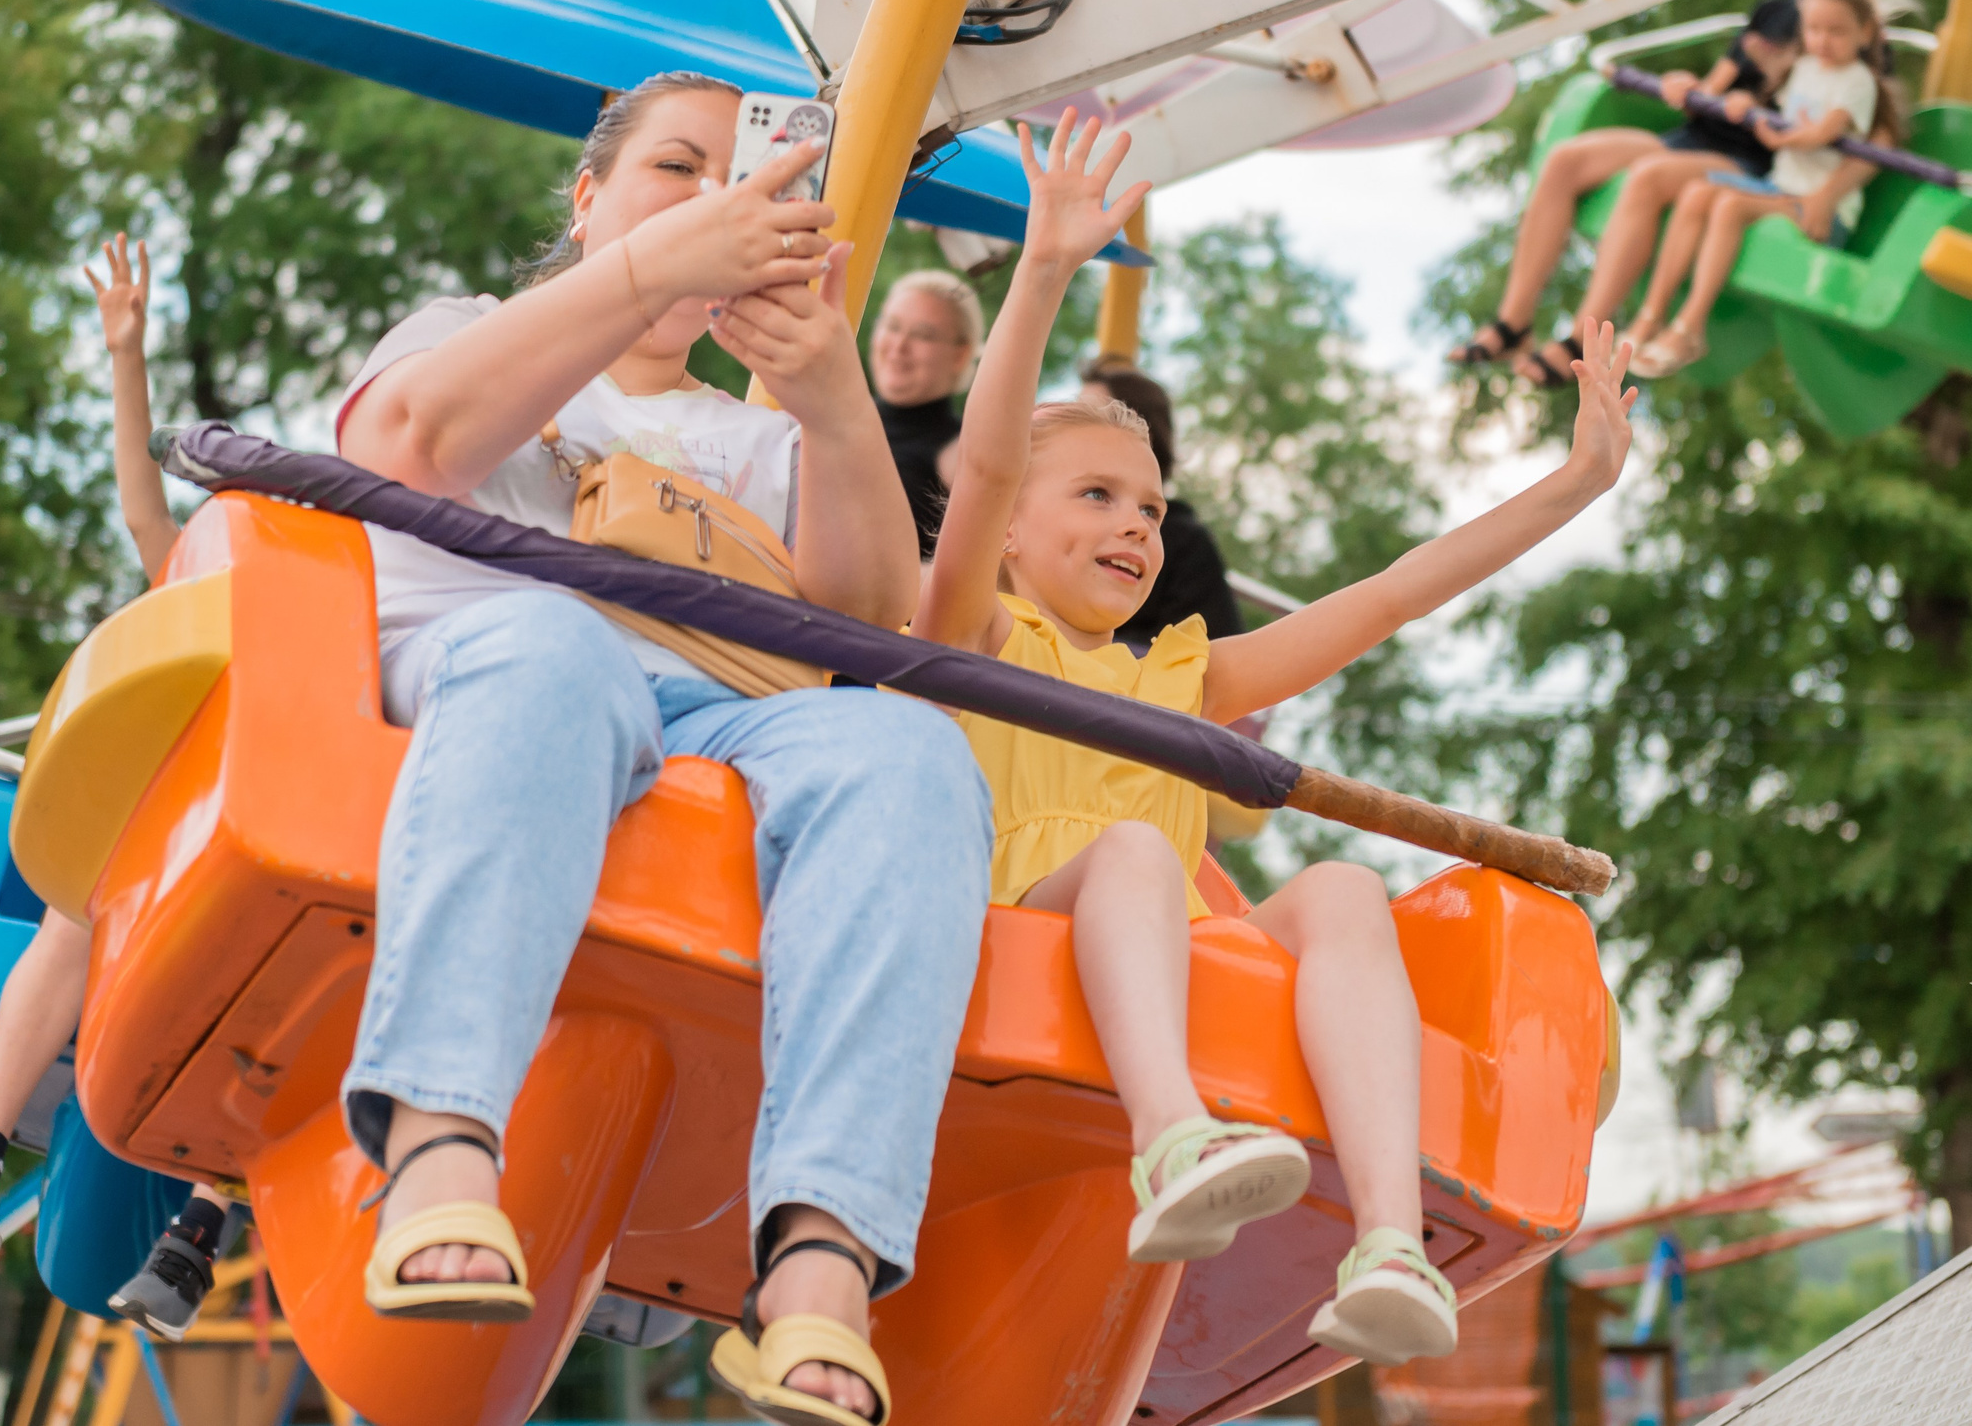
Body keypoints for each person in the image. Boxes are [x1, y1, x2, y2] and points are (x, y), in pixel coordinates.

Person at [918, 109, 1637, 1366]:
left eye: (1149, 505)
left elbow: (1391, 593)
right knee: (1143, 849)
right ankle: (1170, 1134)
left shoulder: (1182, 675)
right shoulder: (970, 624)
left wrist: (1571, 485)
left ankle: (1389, 1240)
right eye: (1094, 495)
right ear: (1011, 528)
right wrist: (1040, 272)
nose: (1137, 525)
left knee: (1345, 885)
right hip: (1015, 922)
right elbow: (975, 471)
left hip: (1175, 945)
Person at [333, 71, 991, 1426]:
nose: (714, 202)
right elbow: (412, 441)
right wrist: (640, 280)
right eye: (675, 171)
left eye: (744, 185)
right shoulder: (469, 331)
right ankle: (442, 1134)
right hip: (500, 672)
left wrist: (830, 397)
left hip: (719, 716)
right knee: (556, 640)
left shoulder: (754, 435)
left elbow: (870, 629)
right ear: (589, 202)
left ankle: (823, 1254)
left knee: (913, 756)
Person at [0, 235, 240, 1342]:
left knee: (282, 953)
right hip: (172, 860)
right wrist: (125, 355)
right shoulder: (218, 597)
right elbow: (150, 514)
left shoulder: (370, 644)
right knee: (75, 898)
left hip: (265, 887)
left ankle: (198, 1223)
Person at [1453, 0, 1876, 386]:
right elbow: (1714, 90)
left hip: (1745, 158)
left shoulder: (1853, 38)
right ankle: (1514, 323)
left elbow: (1872, 133)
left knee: (1648, 176)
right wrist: (1688, 88)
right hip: (1694, 136)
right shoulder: (1773, 11)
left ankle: (1582, 339)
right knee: (1565, 159)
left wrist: (1823, 191)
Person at [1630, 0, 1902, 378]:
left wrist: (1780, 140)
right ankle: (1651, 314)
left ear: (1865, 33)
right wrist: (1743, 103)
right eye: (1813, 29)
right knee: (1696, 195)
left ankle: (1691, 325)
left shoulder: (1858, 81)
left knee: (1729, 206)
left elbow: (1826, 130)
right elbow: (1770, 109)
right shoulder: (1806, 68)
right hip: (1780, 188)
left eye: (1836, 32)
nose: (1823, 41)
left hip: (1818, 207)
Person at [1074, 361, 1244, 652]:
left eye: (1150, 513)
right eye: (1095, 497)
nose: (1137, 527)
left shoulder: (1184, 542)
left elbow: (1215, 656)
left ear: (1138, 432)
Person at [868, 269, 986, 557]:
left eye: (923, 335)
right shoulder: (830, 418)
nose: (899, 347)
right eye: (892, 326)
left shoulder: (962, 455)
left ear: (960, 354)